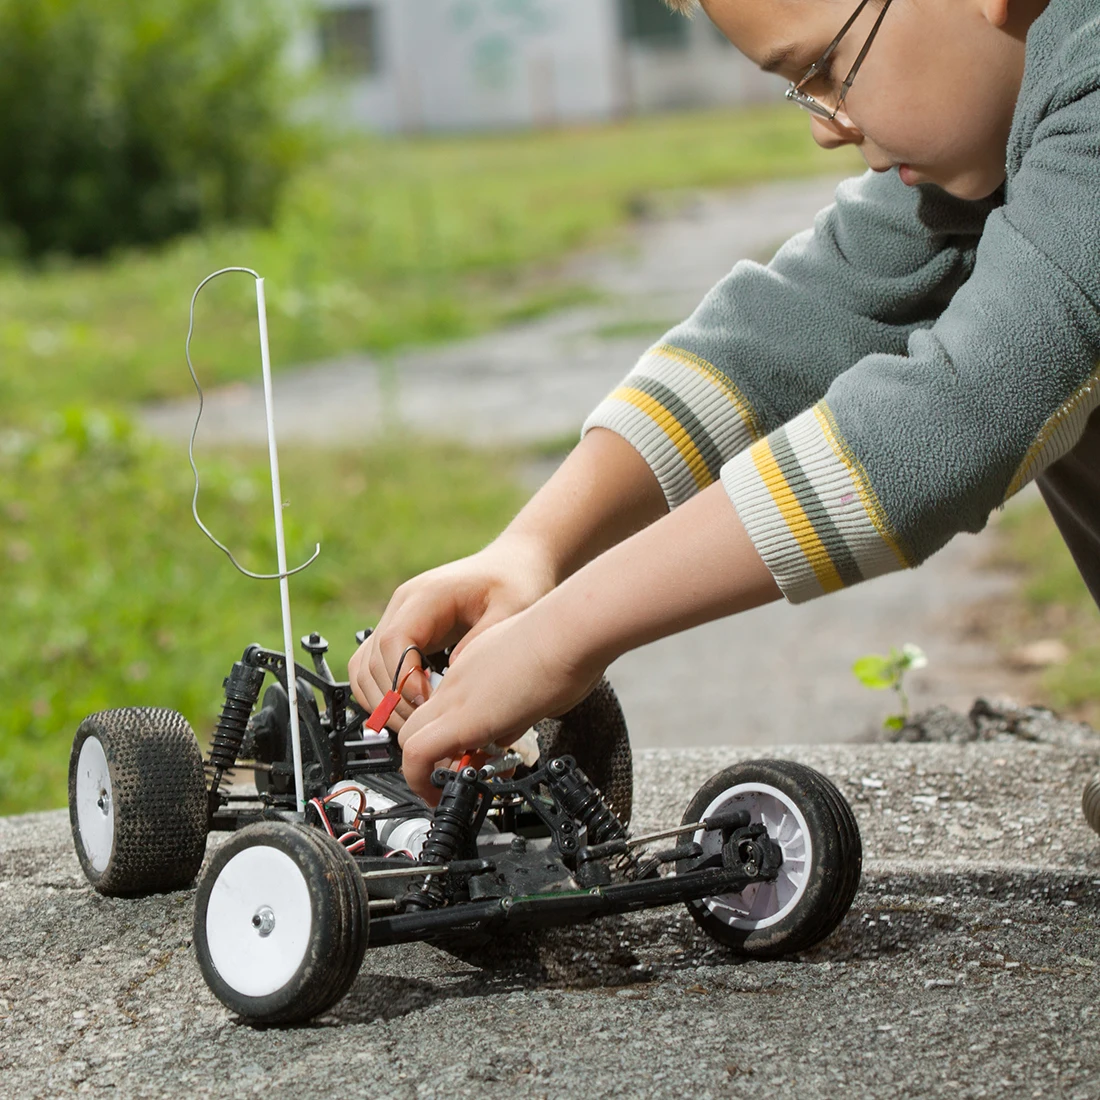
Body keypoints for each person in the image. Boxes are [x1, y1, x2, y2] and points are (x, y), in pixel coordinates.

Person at [350, 0, 1100, 804]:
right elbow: (792, 326)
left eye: (830, 69)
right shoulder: (1005, 127)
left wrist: (563, 636)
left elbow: (957, 415)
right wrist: (531, 547)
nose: (827, 124)